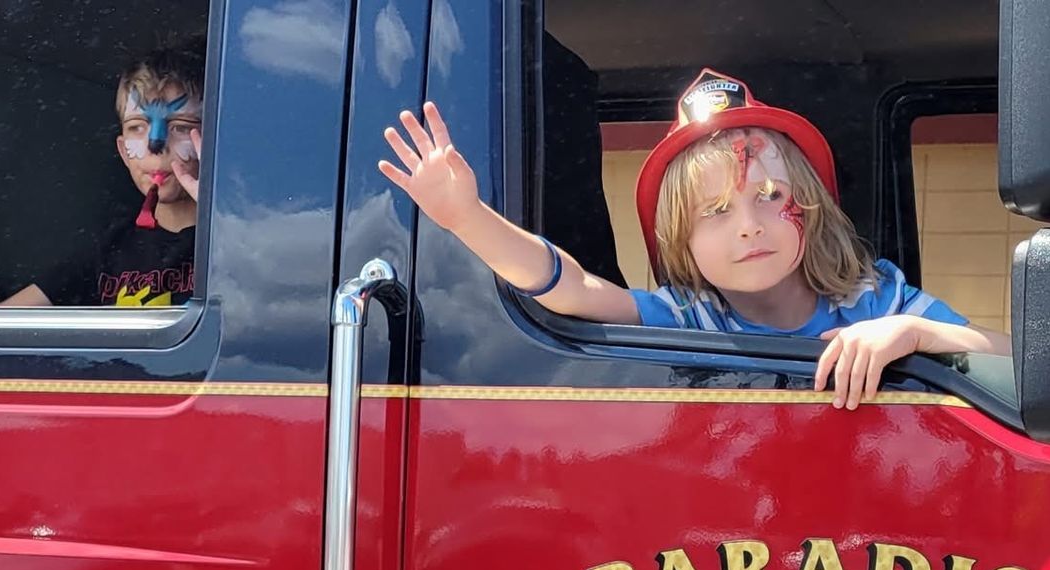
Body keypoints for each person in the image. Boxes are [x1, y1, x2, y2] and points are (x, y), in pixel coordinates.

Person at [379, 69, 1010, 409]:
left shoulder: (870, 299)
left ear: (810, 207)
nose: (747, 225)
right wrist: (467, 218)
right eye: (714, 211)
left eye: (769, 197)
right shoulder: (686, 316)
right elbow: (572, 289)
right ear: (680, 240)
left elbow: (1009, 357)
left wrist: (915, 334)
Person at [0, 43, 205, 343]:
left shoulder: (227, 243)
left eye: (179, 126)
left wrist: (222, 212)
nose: (156, 144)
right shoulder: (110, 250)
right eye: (137, 126)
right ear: (124, 152)